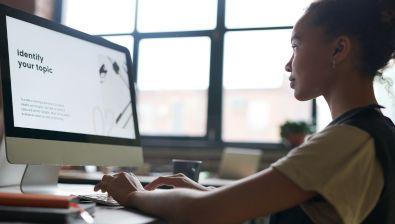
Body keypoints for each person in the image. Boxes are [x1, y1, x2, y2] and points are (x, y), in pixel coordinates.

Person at [94, 0, 395, 223]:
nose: (288, 64)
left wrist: (135, 194)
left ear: (338, 50)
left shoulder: (346, 142)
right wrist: (205, 191)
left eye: (297, 45)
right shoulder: (375, 132)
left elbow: (204, 213)